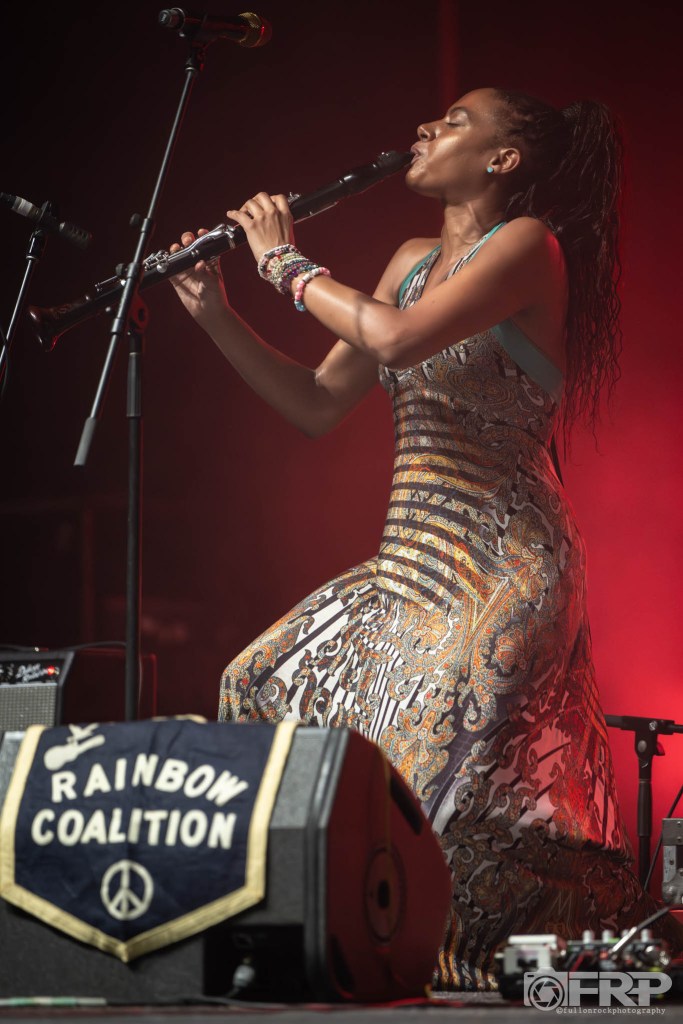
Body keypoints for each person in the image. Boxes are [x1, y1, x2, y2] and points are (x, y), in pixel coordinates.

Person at [169, 88, 677, 991]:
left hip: (504, 565)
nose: (424, 129)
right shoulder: (407, 261)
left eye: (454, 122)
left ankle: (429, 955)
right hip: (406, 564)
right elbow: (317, 404)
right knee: (256, 681)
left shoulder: (527, 246)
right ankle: (301, 935)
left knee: (431, 781)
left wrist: (283, 262)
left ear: (502, 159)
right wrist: (217, 313)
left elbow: (398, 342)